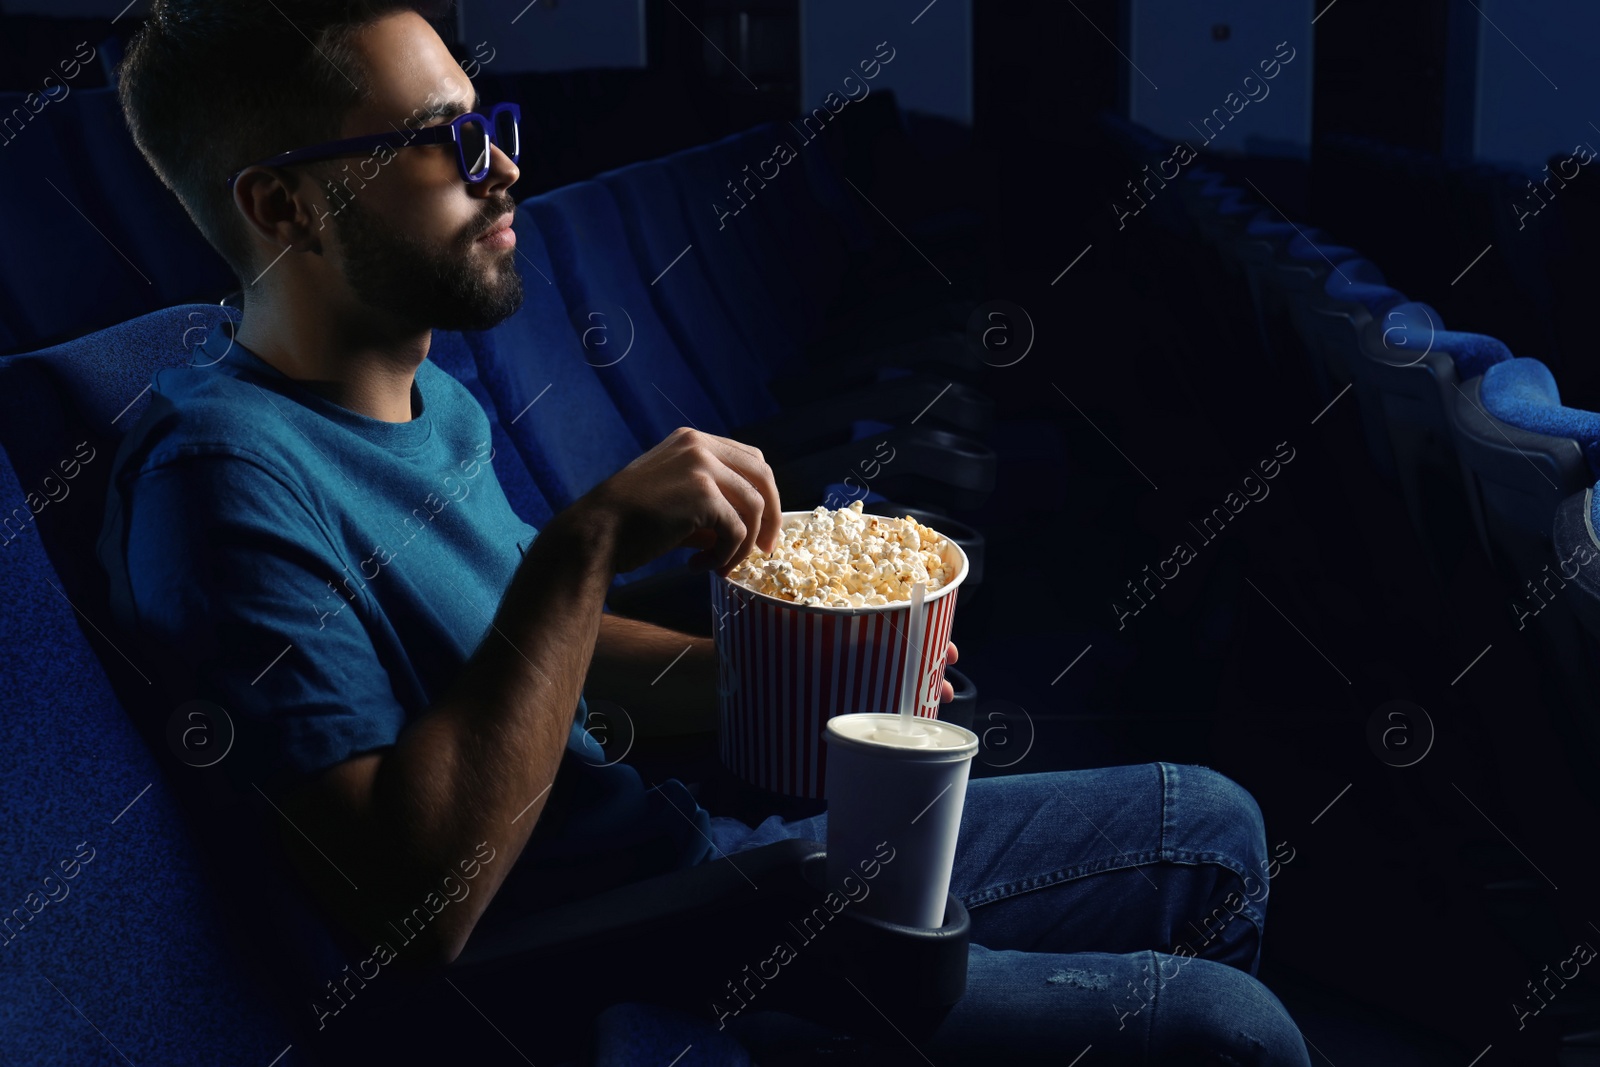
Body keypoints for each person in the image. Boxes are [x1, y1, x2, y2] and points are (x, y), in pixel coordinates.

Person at [101, 2, 1312, 1063]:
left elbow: (523, 647)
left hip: (700, 857)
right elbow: (418, 908)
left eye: (495, 122)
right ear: (285, 203)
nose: (506, 168)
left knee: (1209, 816)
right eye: (449, 142)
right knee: (1230, 1030)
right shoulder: (218, 485)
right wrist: (585, 544)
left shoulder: (429, 395)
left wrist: (802, 681)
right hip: (647, 963)